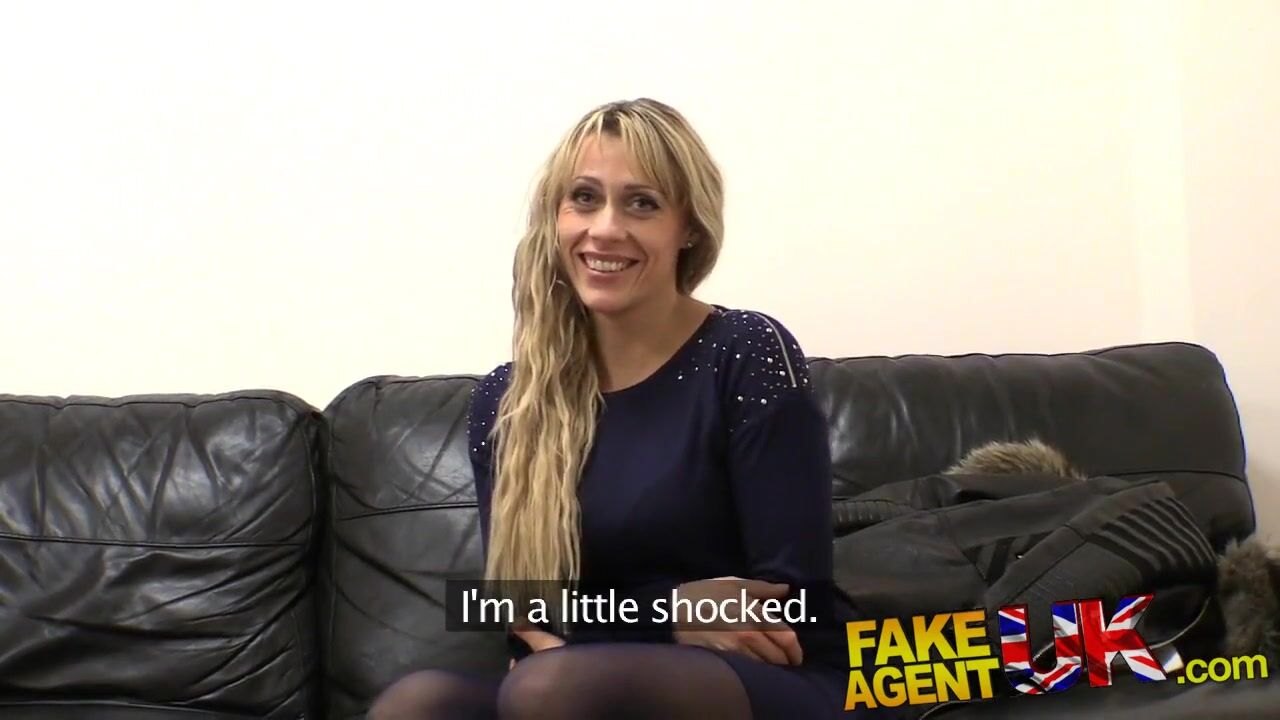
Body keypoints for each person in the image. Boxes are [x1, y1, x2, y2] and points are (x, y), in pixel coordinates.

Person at [369, 98, 858, 719]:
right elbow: (508, 611)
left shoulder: (745, 352)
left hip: (780, 681)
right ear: (555, 216)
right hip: (581, 677)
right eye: (584, 198)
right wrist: (674, 613)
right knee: (417, 704)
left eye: (641, 203)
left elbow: (797, 604)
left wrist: (591, 631)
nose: (604, 229)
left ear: (688, 228)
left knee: (554, 686)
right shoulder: (508, 400)